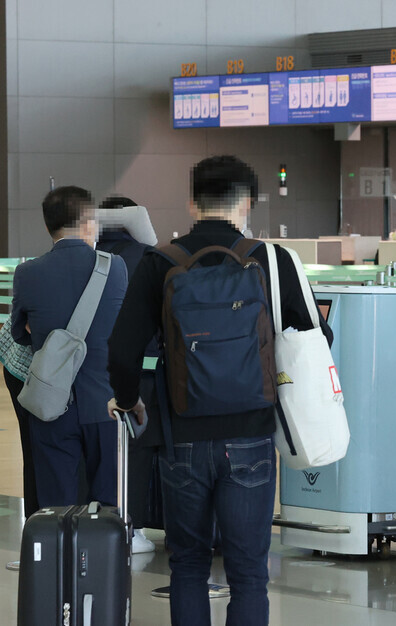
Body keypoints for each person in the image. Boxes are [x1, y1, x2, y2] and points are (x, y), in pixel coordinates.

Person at [107, 155, 332, 625]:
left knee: (187, 564)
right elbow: (318, 338)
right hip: (251, 435)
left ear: (193, 203)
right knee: (248, 570)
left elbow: (121, 350)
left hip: (182, 436)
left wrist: (129, 401)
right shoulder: (273, 259)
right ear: (248, 202)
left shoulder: (160, 261)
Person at [10, 186, 128, 508]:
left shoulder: (27, 273)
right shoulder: (115, 268)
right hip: (105, 403)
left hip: (52, 405)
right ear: (89, 221)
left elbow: (19, 335)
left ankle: (60, 559)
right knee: (106, 505)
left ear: (49, 227)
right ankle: (102, 558)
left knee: (55, 508)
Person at [96, 195, 160, 554]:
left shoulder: (86, 255)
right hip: (141, 370)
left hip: (85, 373)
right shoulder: (145, 258)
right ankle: (130, 528)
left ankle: (93, 522)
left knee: (96, 452)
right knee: (134, 451)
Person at [0, 321, 37, 519]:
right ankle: (37, 522)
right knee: (35, 449)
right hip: (25, 367)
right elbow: (26, 319)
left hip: (47, 367)